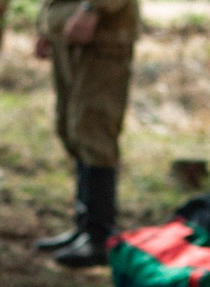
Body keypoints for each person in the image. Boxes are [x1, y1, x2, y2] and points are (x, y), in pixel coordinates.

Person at [31, 0, 134, 268]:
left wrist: (91, 7)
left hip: (103, 33)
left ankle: (99, 236)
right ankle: (84, 227)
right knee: (71, 128)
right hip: (68, 30)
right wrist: (47, 25)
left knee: (94, 128)